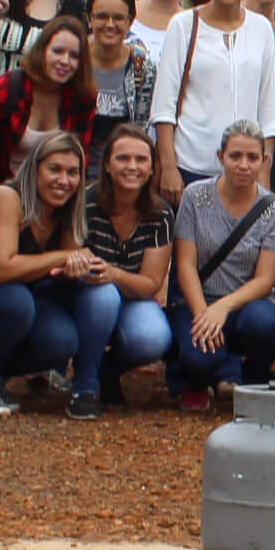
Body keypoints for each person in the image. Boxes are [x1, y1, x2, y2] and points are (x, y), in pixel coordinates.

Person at [0, 129, 105, 419]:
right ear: (34, 168)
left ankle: (0, 370)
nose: (63, 181)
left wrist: (78, 268)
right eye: (54, 169)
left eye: (72, 172)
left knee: (62, 340)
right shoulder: (6, 198)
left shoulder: (66, 211)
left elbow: (65, 269)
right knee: (17, 303)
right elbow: (1, 269)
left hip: (17, 300)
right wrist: (62, 257)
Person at [171, 123, 275, 404]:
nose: (243, 165)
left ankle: (252, 377)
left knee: (266, 322)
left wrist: (222, 308)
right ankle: (201, 379)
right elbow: (185, 264)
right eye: (235, 156)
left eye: (252, 158)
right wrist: (204, 314)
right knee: (199, 359)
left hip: (246, 305)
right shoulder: (194, 197)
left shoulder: (274, 209)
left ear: (264, 161)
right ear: (220, 156)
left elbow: (265, 280)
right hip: (199, 301)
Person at [154, 0, 275, 207]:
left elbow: (268, 106)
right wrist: (168, 167)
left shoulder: (261, 28)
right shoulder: (183, 25)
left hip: (246, 170)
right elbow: (164, 105)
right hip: (191, 164)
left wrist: (264, 170)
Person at [79, 126, 180, 412]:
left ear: (152, 168)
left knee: (154, 338)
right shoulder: (85, 203)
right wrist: (105, 279)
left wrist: (113, 274)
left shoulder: (160, 214)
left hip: (134, 297)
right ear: (108, 165)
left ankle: (107, 369)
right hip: (86, 297)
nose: (132, 167)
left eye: (141, 160)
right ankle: (84, 385)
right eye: (122, 159)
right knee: (103, 296)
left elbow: (150, 284)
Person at [0, 14, 101, 199]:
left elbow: (79, 161)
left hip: (56, 198)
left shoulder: (83, 97)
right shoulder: (3, 90)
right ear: (42, 50)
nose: (65, 61)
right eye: (58, 51)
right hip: (2, 193)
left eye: (74, 56)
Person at [83, 0, 163, 133]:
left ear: (130, 22)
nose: (110, 24)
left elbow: (140, 126)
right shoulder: (74, 59)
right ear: (89, 19)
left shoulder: (142, 66)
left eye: (118, 18)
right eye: (101, 17)